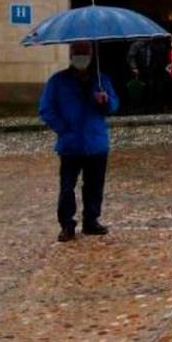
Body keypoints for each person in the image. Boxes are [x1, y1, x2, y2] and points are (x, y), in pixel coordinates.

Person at [38, 41, 119, 242]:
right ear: (71, 54)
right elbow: (46, 109)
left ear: (92, 54)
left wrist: (105, 101)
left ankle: (91, 220)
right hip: (70, 144)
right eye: (77, 51)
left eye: (85, 51)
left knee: (94, 185)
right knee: (67, 186)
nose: (81, 55)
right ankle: (67, 224)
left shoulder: (101, 80)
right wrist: (63, 128)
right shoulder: (57, 81)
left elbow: (114, 106)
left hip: (96, 142)